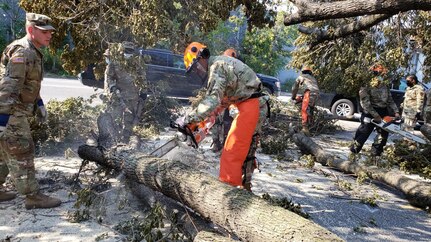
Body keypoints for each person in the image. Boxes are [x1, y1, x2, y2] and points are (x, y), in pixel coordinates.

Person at [181, 42, 269, 191]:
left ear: (203, 56)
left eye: (196, 67)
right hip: (247, 102)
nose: (197, 71)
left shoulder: (216, 66)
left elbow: (212, 100)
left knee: (233, 150)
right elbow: (223, 99)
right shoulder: (218, 65)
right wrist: (210, 117)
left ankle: (231, 191)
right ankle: (242, 187)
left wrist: (188, 120)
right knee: (241, 149)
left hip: (252, 103)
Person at [0, 13, 61, 209]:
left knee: (3, 152)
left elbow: (28, 83)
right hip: (11, 112)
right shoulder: (23, 52)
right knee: (23, 150)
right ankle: (32, 197)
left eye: (50, 32)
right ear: (30, 30)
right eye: (44, 32)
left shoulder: (33, 51)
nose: (49, 35)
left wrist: (39, 103)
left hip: (13, 110)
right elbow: (9, 87)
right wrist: (2, 120)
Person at [350, 64, 400, 156]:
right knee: (363, 133)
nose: (383, 76)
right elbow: (365, 103)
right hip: (370, 112)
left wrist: (396, 111)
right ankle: (354, 152)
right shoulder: (366, 86)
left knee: (383, 135)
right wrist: (375, 115)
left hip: (383, 111)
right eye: (381, 74)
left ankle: (375, 154)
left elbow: (390, 99)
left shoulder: (385, 85)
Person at [104, 42, 141, 143]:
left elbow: (142, 78)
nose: (128, 53)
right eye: (126, 51)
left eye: (130, 51)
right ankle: (115, 140)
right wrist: (113, 87)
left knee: (129, 120)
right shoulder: (115, 63)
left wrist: (144, 91)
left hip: (132, 96)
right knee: (116, 118)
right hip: (118, 95)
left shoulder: (137, 63)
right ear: (122, 51)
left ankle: (125, 141)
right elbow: (109, 77)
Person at [211, 48, 238, 152]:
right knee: (216, 120)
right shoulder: (221, 67)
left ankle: (225, 144)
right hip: (222, 98)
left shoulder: (236, 68)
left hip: (230, 100)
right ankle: (217, 143)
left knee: (227, 121)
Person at [291, 66, 320, 135]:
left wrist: (293, 97)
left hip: (309, 93)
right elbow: (313, 88)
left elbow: (294, 88)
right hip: (316, 94)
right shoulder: (312, 78)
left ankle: (305, 128)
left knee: (305, 110)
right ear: (310, 72)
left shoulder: (301, 77)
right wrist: (301, 98)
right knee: (310, 109)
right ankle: (311, 126)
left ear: (302, 72)